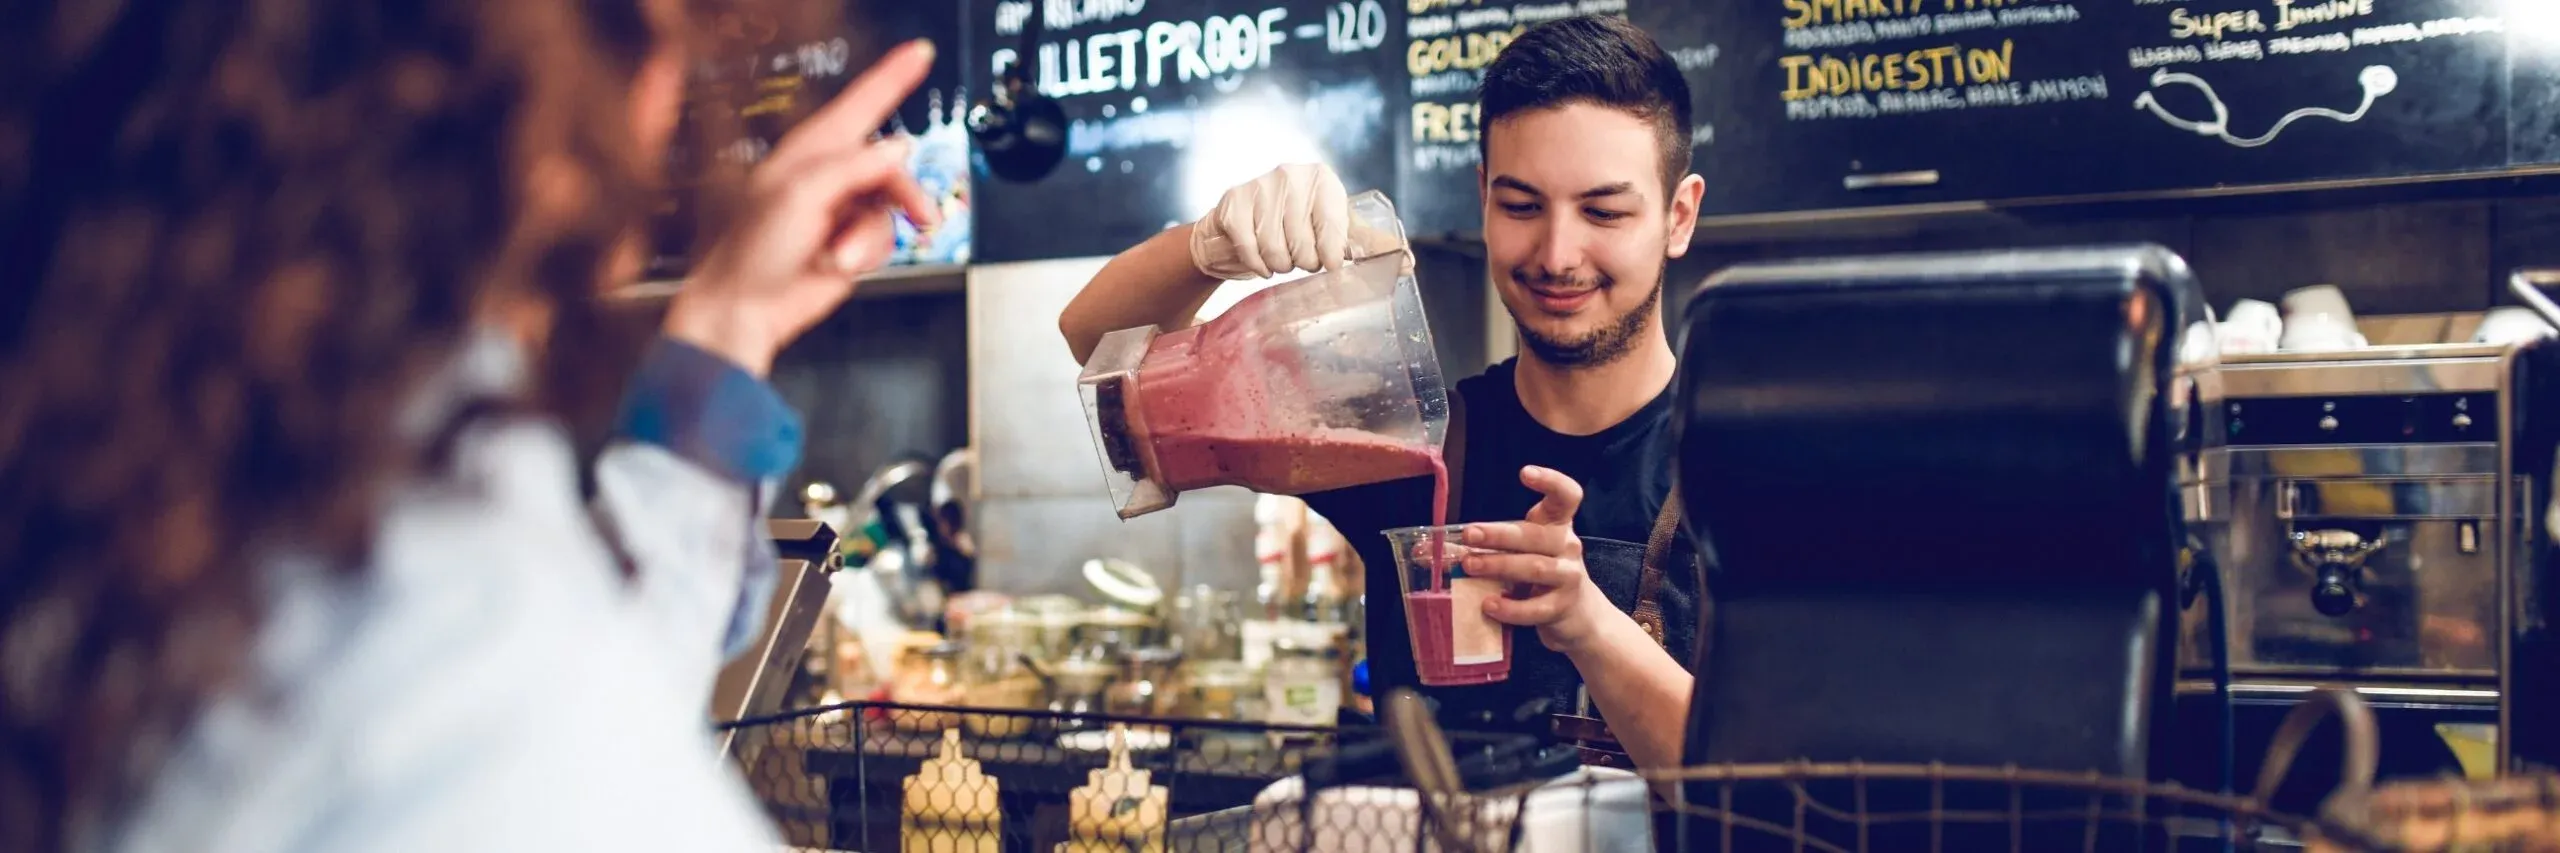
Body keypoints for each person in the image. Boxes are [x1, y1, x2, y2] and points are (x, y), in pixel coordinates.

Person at [0, 1, 935, 850]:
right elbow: (532, 724)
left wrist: (731, 324)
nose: (669, 96)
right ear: (541, 117)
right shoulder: (485, 703)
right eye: (647, 39)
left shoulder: (137, 510)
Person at [1058, 15, 1707, 770]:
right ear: (1483, 199)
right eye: (1521, 205)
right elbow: (1100, 350)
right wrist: (1209, 247)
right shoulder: (1410, 441)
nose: (1557, 253)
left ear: (1678, 215)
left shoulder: (1743, 461)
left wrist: (1589, 621)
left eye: (1603, 211)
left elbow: (1772, 777)